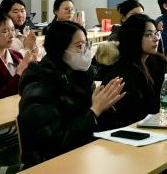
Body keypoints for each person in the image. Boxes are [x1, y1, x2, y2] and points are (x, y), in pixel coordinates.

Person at [18, 21, 125, 167]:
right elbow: (55, 143)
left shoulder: (81, 77)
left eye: (86, 45)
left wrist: (106, 108)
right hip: (50, 164)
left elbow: (98, 126)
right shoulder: (39, 86)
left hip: (84, 155)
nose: (86, 51)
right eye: (79, 46)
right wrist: (94, 111)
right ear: (60, 49)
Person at [97, 14, 167, 129]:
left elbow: (163, 103)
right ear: (133, 38)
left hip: (155, 125)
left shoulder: (157, 63)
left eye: (156, 33)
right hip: (129, 132)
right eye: (148, 35)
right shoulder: (123, 74)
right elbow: (140, 113)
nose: (156, 38)